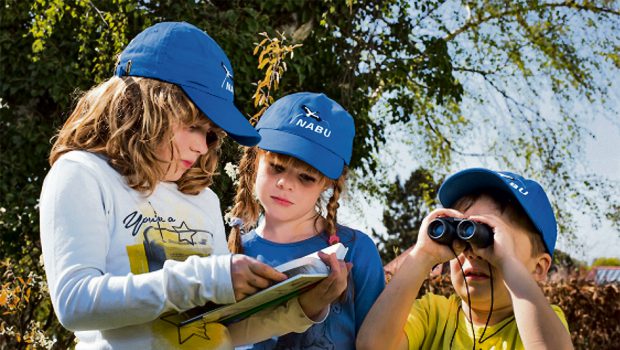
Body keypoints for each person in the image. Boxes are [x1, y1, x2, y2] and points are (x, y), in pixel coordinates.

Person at [39, 22, 349, 349]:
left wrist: (302, 309)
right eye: (194, 126)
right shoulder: (82, 174)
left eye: (211, 133)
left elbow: (222, 328)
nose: (203, 147)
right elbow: (74, 303)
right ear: (144, 106)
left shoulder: (202, 198)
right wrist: (207, 279)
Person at [227, 92, 386, 349]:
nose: (285, 184)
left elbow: (379, 342)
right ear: (255, 160)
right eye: (276, 167)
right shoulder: (231, 256)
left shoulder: (357, 250)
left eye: (306, 178)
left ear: (326, 183)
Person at [357, 168, 574, 350]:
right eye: (462, 236)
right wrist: (423, 254)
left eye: (490, 239)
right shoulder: (434, 313)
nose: (473, 252)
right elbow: (372, 345)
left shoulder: (541, 324)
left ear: (539, 267)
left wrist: (506, 262)